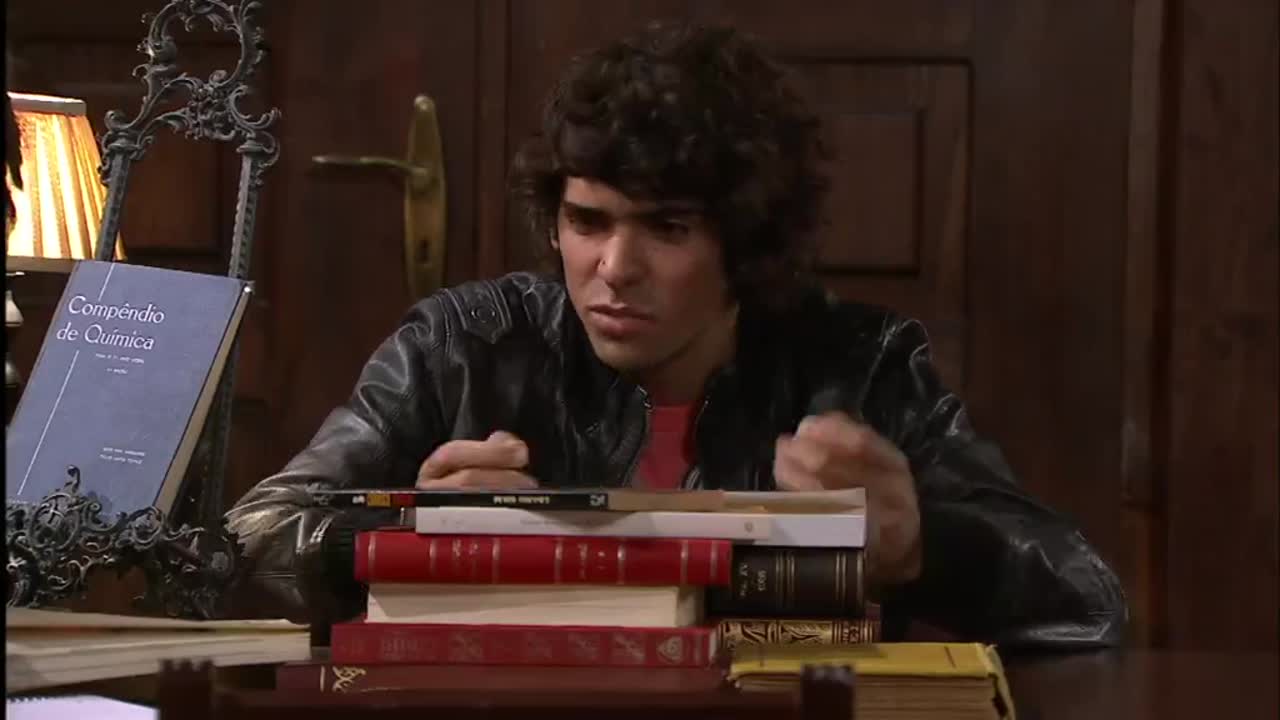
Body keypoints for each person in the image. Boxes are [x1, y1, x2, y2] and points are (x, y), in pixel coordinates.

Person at [225, 21, 1127, 648]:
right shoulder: (463, 347)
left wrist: (925, 548)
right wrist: (401, 534)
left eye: (666, 229)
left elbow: (1087, 599)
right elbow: (243, 544)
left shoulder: (861, 365)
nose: (614, 267)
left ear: (745, 242)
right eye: (587, 221)